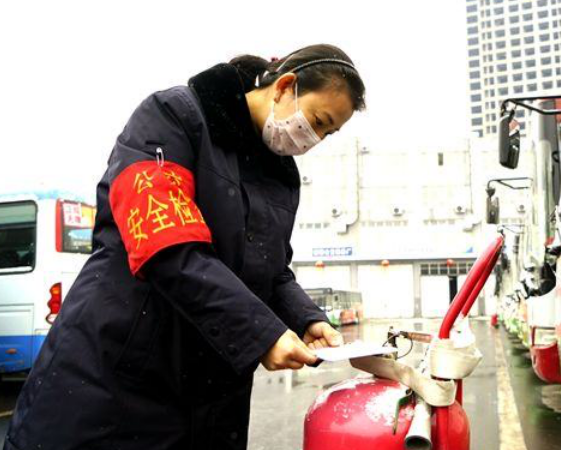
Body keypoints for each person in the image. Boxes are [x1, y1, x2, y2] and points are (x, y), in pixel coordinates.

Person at [4, 44, 366, 450]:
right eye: (317, 120)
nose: (313, 138)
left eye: (326, 133)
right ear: (284, 87)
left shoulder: (280, 176)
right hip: (116, 379)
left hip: (211, 396)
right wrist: (262, 335)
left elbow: (272, 270)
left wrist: (306, 319)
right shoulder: (172, 117)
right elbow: (165, 245)